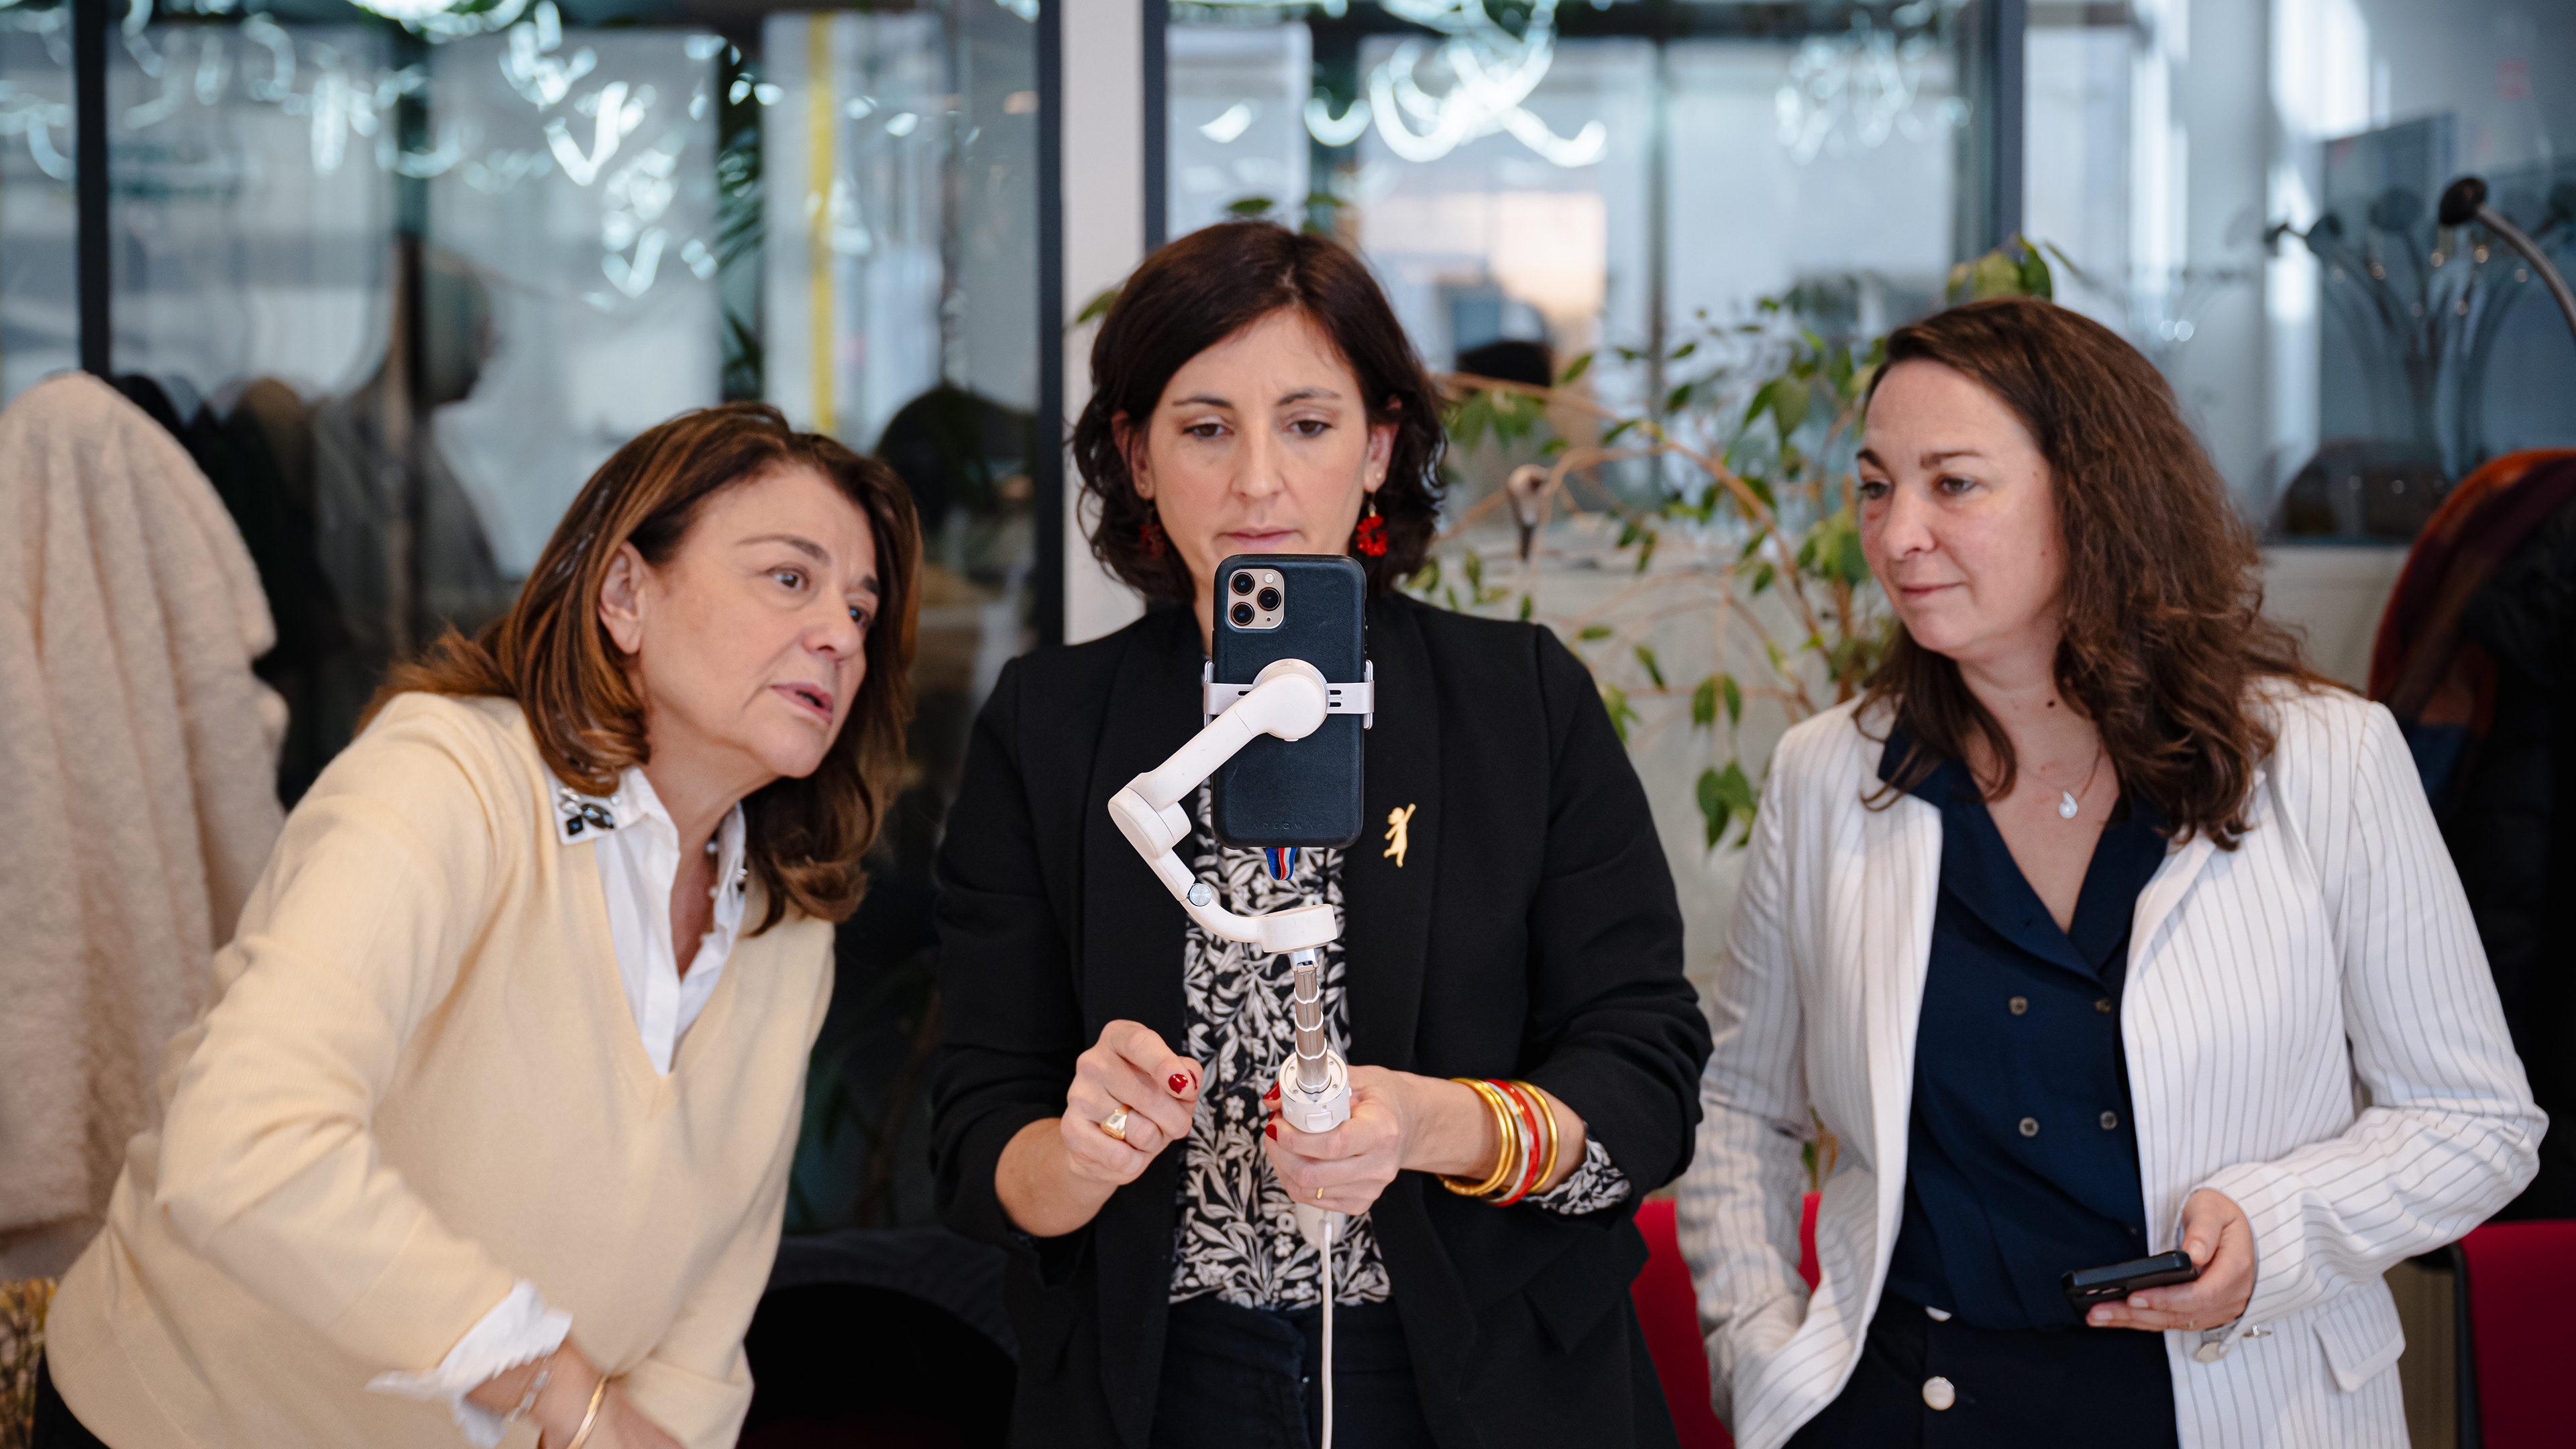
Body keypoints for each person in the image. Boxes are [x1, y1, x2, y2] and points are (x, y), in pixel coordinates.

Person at [1677, 297, 2544, 1449]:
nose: (1895, 536)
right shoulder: (1827, 772)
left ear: (2093, 497)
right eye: (1876, 487)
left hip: (2241, 1405)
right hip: (1910, 1404)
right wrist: (1757, 1356)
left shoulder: (2327, 759)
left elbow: (2476, 1121)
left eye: (1954, 484)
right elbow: (1738, 1106)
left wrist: (2277, 1229)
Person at [928, 221, 1711, 1448]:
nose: (1258, 481)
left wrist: (1432, 1126)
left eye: (1306, 423)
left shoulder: (1518, 701)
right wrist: (1079, 1155)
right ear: (1136, 459)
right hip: (1163, 1380)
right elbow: (977, 1128)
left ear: (1378, 447)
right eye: (1205, 429)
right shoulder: (1052, 726)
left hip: (1484, 1372)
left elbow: (1647, 1076)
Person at [34, 402, 921, 1449]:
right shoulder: (448, 781)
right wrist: (565, 1397)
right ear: (625, 595)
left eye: (860, 610)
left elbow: (703, 1326)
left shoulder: (786, 926)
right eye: (788, 579)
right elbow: (242, 1141)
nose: (838, 636)